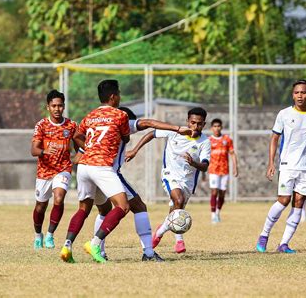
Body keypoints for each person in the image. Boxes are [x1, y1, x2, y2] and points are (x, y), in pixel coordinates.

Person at [83, 107, 195, 261]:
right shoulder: (121, 123)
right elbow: (149, 124)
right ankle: (147, 253)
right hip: (109, 174)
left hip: (91, 171)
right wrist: (177, 128)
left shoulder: (100, 129)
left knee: (103, 211)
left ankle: (95, 250)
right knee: (138, 207)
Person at [256, 79, 306, 254]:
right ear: (293, 95)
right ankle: (264, 235)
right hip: (287, 165)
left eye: (303, 92)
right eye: (297, 92)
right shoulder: (283, 114)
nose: (300, 96)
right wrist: (271, 162)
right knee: (283, 200)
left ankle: (284, 244)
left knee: (299, 203)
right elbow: (274, 139)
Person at [60, 79, 132, 263]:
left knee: (84, 208)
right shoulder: (120, 115)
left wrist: (89, 148)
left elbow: (76, 135)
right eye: (119, 95)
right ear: (113, 97)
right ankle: (95, 243)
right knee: (123, 207)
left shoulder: (90, 115)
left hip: (84, 166)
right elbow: (126, 137)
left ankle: (67, 246)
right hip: (101, 167)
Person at [126, 107, 211, 254]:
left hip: (188, 182)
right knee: (178, 200)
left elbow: (204, 166)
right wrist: (134, 150)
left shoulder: (205, 142)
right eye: (192, 122)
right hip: (169, 174)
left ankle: (160, 231)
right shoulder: (175, 132)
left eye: (199, 124)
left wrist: (193, 163)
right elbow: (151, 134)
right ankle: (179, 240)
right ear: (187, 121)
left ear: (204, 124)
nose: (195, 126)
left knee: (177, 209)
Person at [31, 89, 77, 249]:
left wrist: (79, 157)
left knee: (59, 199)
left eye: (60, 106)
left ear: (64, 107)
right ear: (48, 107)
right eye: (54, 106)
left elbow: (79, 146)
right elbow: (33, 150)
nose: (57, 109)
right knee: (40, 206)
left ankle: (50, 235)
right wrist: (44, 151)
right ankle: (38, 235)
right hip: (44, 172)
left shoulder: (71, 125)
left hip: (63, 169)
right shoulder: (42, 125)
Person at [207, 118, 238, 223]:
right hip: (213, 169)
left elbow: (232, 154)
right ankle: (212, 215)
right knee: (214, 191)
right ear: (211, 128)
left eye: (218, 126)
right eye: (214, 126)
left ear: (221, 127)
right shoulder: (208, 140)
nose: (217, 128)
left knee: (222, 193)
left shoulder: (227, 139)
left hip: (224, 170)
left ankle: (217, 213)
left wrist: (235, 167)